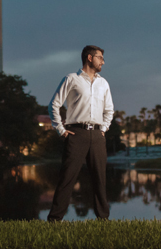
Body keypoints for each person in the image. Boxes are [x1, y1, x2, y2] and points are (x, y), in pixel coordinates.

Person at [47, 45, 114, 222]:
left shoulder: (103, 83)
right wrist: (61, 130)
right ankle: (54, 220)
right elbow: (54, 105)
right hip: (76, 134)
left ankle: (103, 219)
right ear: (89, 58)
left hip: (97, 136)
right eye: (100, 58)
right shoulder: (71, 79)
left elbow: (109, 110)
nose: (103, 62)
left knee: (100, 179)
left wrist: (104, 129)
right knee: (67, 178)